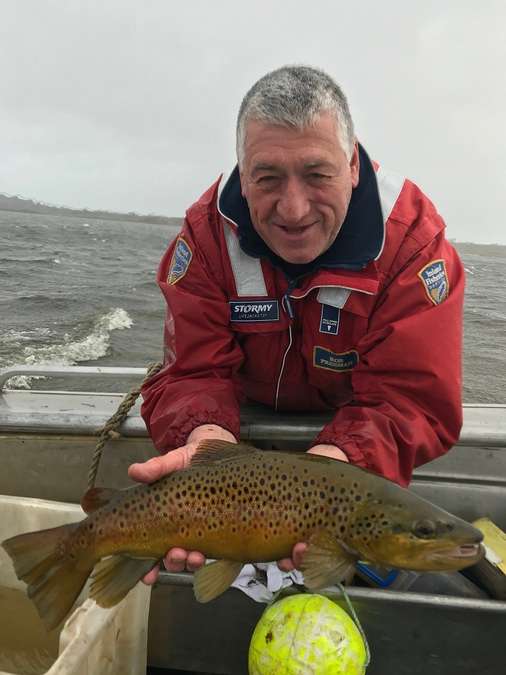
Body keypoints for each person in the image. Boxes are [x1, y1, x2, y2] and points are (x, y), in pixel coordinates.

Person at [128, 65, 464, 584]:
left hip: (347, 445)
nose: (293, 207)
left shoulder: (413, 246)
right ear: (242, 173)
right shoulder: (205, 237)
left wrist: (340, 463)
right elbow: (192, 373)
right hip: (237, 441)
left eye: (317, 174)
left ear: (353, 165)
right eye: (266, 178)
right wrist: (204, 437)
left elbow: (410, 397)